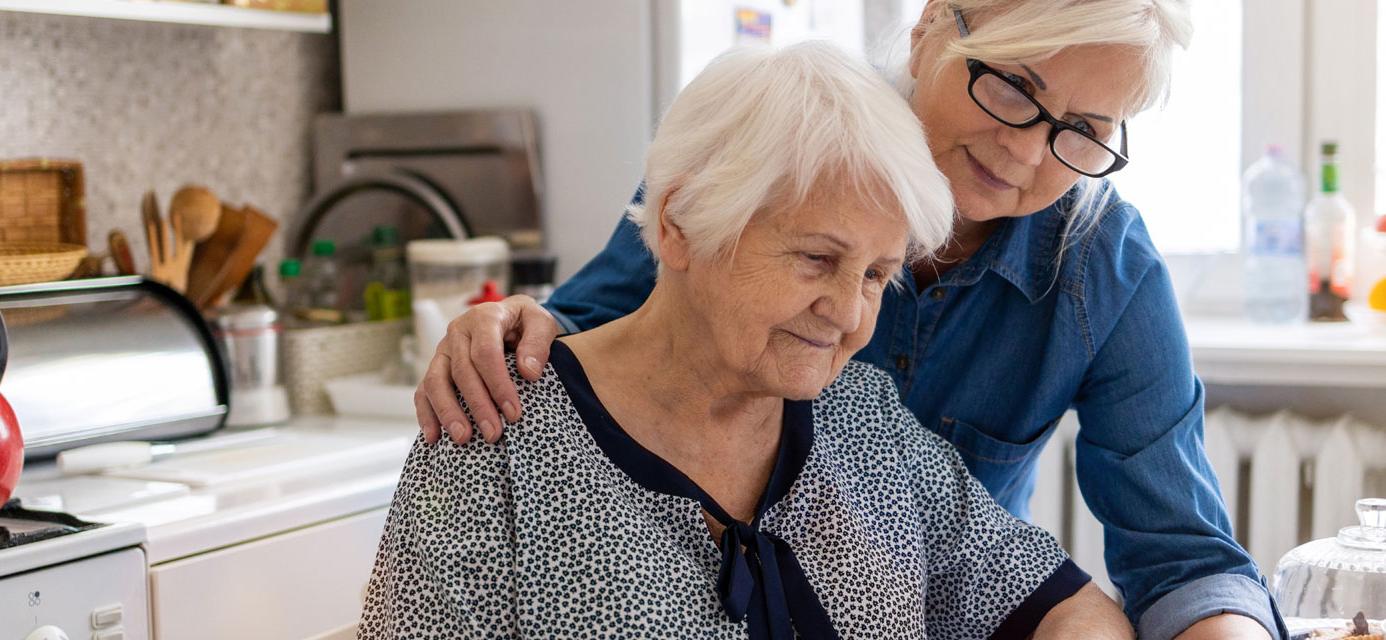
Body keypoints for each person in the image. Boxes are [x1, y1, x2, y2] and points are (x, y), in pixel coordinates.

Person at [413, 2, 1284, 639]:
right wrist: (502, 331)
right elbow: (601, 341)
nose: (1026, 150)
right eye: (1015, 87)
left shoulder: (1098, 271)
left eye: (1085, 129)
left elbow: (1178, 560)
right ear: (931, 27)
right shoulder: (755, 155)